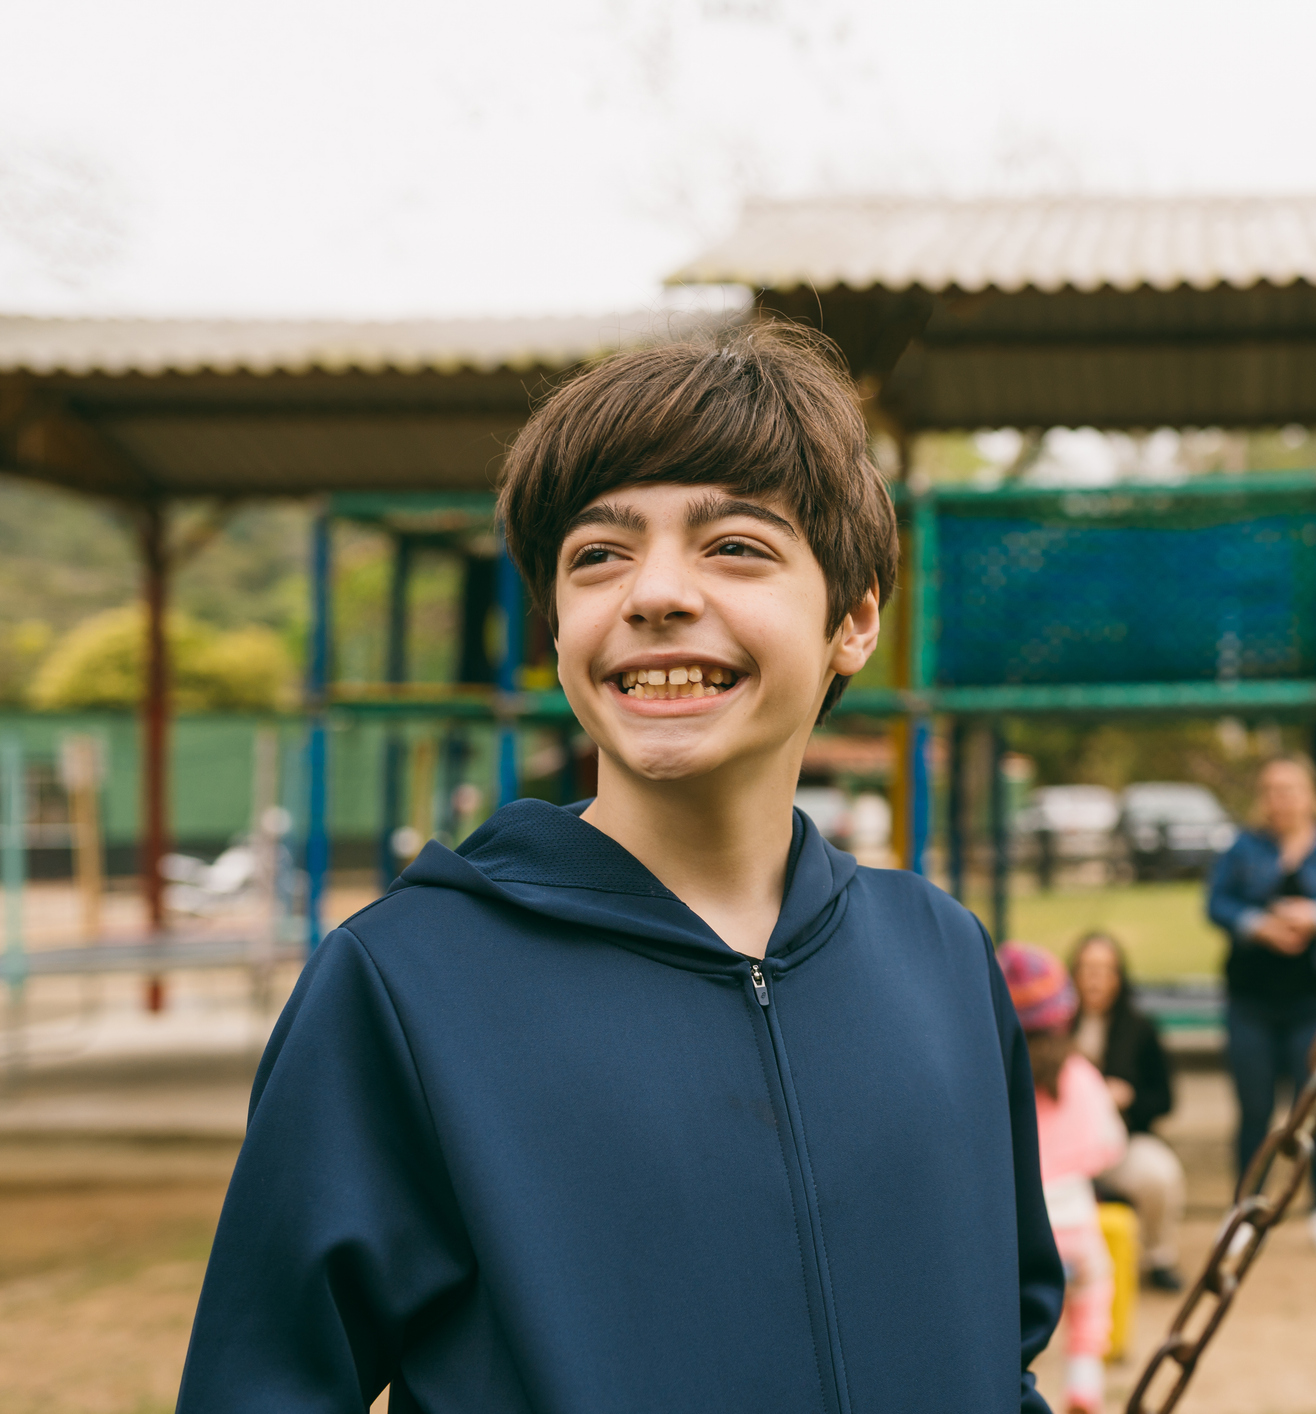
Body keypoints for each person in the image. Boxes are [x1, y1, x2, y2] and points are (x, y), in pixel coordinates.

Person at [176, 322, 1065, 1413]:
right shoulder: (403, 984)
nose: (653, 594)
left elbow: (997, 1349)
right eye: (598, 555)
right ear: (559, 631)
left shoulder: (942, 956)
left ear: (855, 618)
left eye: (734, 545)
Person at [1205, 754, 1316, 1260]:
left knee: (1314, 1106)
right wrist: (1256, 925)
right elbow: (1216, 904)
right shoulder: (1244, 849)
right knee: (1254, 1107)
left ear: (1311, 794)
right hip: (1253, 999)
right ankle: (1244, 1208)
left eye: (1290, 789)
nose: (1279, 799)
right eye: (1271, 789)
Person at [1003, 942, 1129, 1414]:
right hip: (1073, 1230)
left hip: (1016, 1233)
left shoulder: (994, 1076)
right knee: (1093, 1286)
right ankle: (1084, 1378)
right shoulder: (1079, 1075)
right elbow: (1110, 1144)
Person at [1068, 931, 1188, 1291]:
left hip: (1121, 1140)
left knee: (1159, 1175)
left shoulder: (1139, 1029)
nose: (1095, 979)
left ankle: (1157, 1254)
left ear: (1120, 977)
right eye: (1087, 969)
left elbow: (1166, 1099)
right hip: (1061, 1148)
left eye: (1105, 970)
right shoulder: (1054, 1028)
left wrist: (1130, 1098)